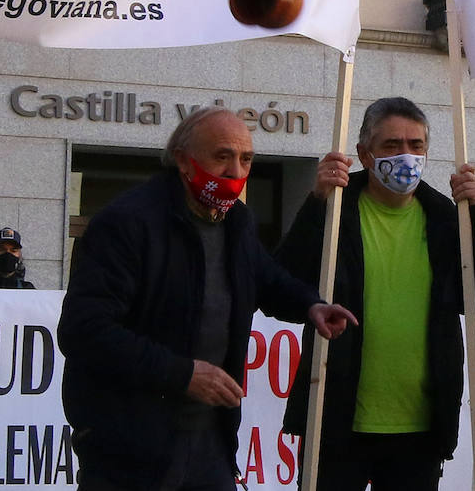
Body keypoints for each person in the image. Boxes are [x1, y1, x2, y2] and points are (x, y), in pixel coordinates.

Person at [57, 107, 355, 491]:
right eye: (222, 156)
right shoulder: (126, 223)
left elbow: (267, 279)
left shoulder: (237, 221)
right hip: (127, 447)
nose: (235, 172)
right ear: (183, 159)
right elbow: (84, 331)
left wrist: (310, 305)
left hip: (210, 442)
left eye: (246, 159)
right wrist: (182, 374)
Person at [273, 96, 475, 490]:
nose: (406, 156)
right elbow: (282, 293)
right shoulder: (335, 215)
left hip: (419, 429)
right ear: (364, 155)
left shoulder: (446, 221)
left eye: (416, 146)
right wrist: (317, 203)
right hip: (335, 420)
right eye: (391, 146)